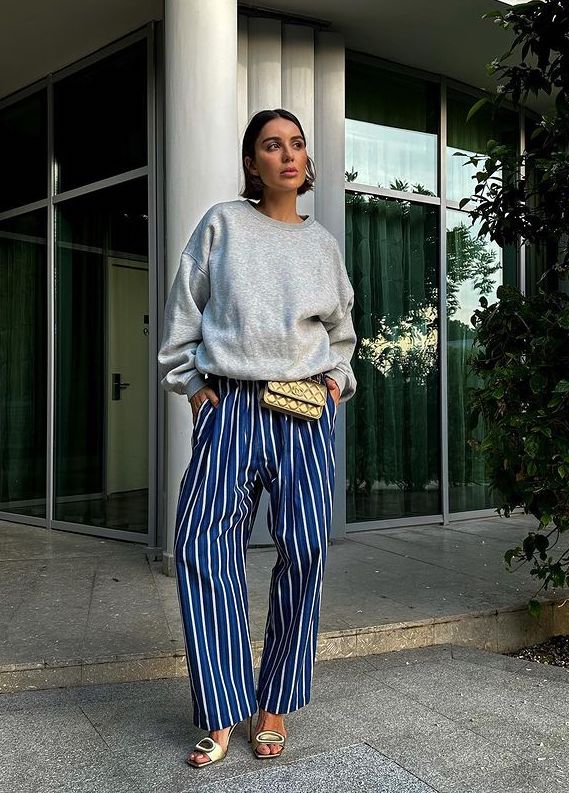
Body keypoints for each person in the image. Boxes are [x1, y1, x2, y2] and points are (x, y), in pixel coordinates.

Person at [157, 108, 357, 769]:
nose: (288, 154)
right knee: (201, 545)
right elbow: (185, 310)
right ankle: (220, 707)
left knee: (304, 550)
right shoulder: (223, 224)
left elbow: (341, 330)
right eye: (272, 145)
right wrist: (191, 384)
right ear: (252, 163)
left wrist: (337, 381)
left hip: (304, 408)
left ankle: (273, 706)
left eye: (296, 144)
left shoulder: (323, 244)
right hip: (233, 404)